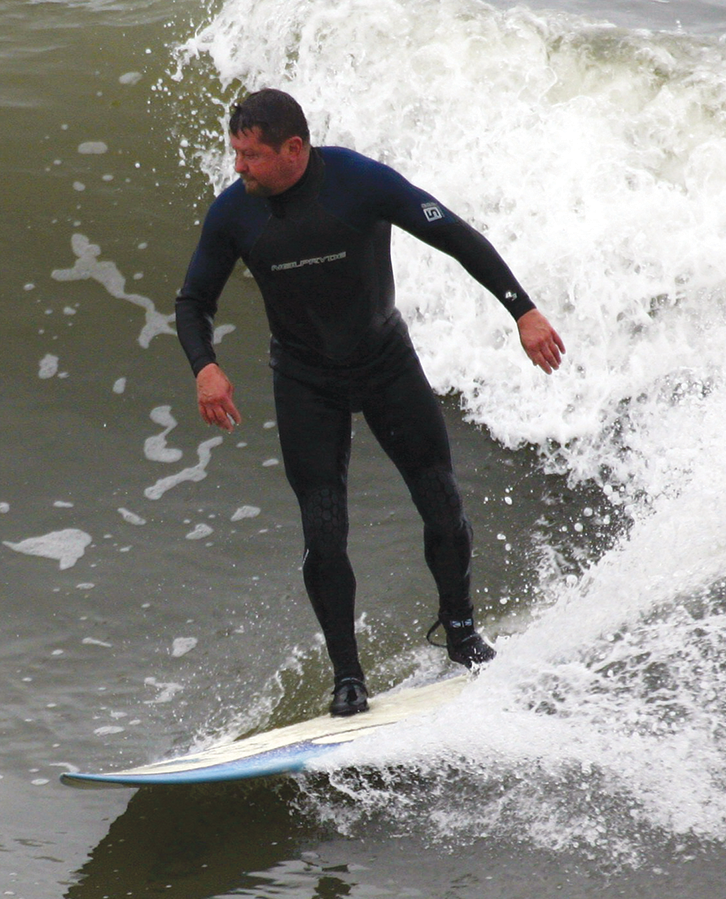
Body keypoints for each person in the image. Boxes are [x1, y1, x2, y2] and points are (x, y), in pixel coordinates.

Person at [175, 88, 565, 717]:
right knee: (323, 535)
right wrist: (206, 367)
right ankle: (348, 678)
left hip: (386, 364)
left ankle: (461, 632)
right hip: (305, 381)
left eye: (250, 155)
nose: (238, 167)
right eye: (236, 154)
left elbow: (457, 236)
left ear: (293, 149)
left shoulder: (360, 182)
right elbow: (193, 301)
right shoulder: (234, 214)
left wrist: (523, 311)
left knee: (441, 504)